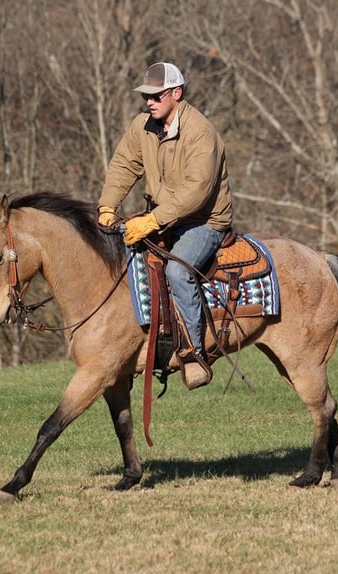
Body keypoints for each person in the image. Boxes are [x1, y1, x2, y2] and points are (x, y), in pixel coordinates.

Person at [97, 62, 233, 389]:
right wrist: (107, 205)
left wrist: (152, 221)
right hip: (165, 217)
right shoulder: (143, 126)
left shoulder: (201, 133)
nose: (150, 102)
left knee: (176, 271)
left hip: (204, 221)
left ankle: (194, 354)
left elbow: (196, 192)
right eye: (147, 96)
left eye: (157, 96)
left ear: (177, 93)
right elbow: (124, 164)